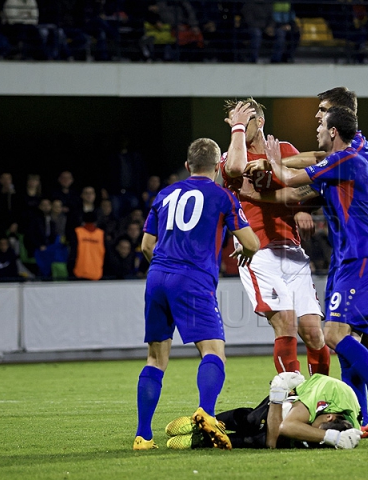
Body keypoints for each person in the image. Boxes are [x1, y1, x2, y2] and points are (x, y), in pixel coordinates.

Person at [247, 106, 368, 434]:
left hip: (359, 258)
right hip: (354, 259)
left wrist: (272, 161)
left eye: (321, 122)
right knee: (351, 340)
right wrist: (255, 194)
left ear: (334, 130)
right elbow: (293, 190)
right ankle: (364, 417)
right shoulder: (336, 169)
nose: (317, 129)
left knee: (334, 335)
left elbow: (293, 176)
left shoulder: (347, 159)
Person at [133, 119, 261, 450]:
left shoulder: (165, 193)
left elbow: (147, 245)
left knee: (155, 359)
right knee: (213, 351)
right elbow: (252, 242)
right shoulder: (222, 196)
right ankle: (206, 413)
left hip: (157, 277)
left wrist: (164, 270)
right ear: (219, 165)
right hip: (192, 280)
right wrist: (242, 249)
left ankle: (143, 436)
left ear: (188, 165)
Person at [222, 97, 329, 377]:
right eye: (237, 122)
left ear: (261, 121)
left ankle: (323, 402)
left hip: (291, 248)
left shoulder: (283, 150)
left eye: (247, 120)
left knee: (314, 333)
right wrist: (238, 129)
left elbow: (312, 184)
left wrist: (298, 209)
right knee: (286, 322)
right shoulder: (232, 156)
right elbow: (233, 170)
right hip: (256, 248)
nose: (243, 127)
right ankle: (290, 401)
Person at [165, 372, 362, 450]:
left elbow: (272, 443)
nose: (310, 427)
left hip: (292, 406)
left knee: (263, 440)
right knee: (253, 420)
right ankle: (201, 424)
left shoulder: (347, 423)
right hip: (286, 396)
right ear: (329, 415)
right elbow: (287, 426)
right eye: (313, 426)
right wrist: (277, 394)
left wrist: (327, 437)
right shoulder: (327, 393)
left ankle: (199, 441)